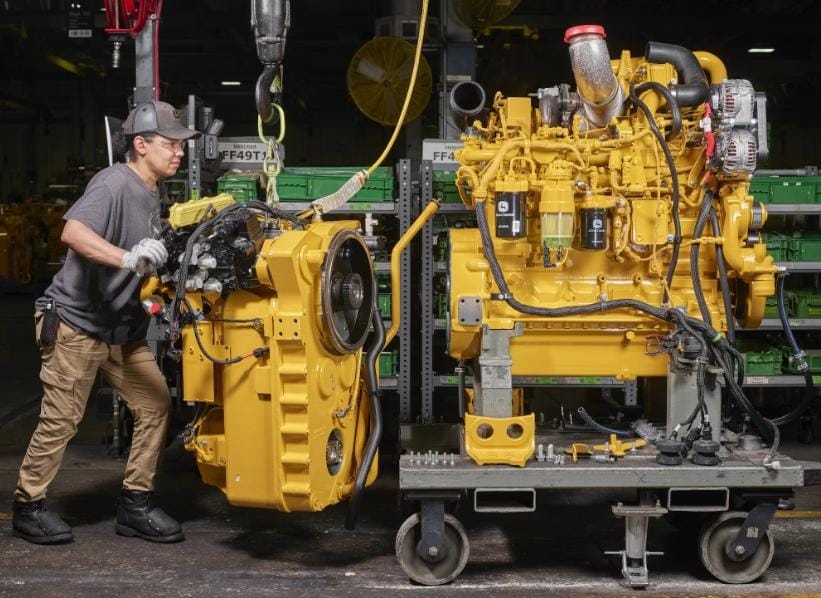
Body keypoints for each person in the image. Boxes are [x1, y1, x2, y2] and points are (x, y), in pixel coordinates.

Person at [12, 100, 200, 545]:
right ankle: (28, 506)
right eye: (171, 144)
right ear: (140, 144)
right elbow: (72, 232)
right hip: (77, 324)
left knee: (155, 406)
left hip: (122, 329)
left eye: (181, 145)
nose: (180, 152)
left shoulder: (153, 192)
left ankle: (135, 504)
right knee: (61, 420)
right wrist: (128, 258)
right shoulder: (113, 182)